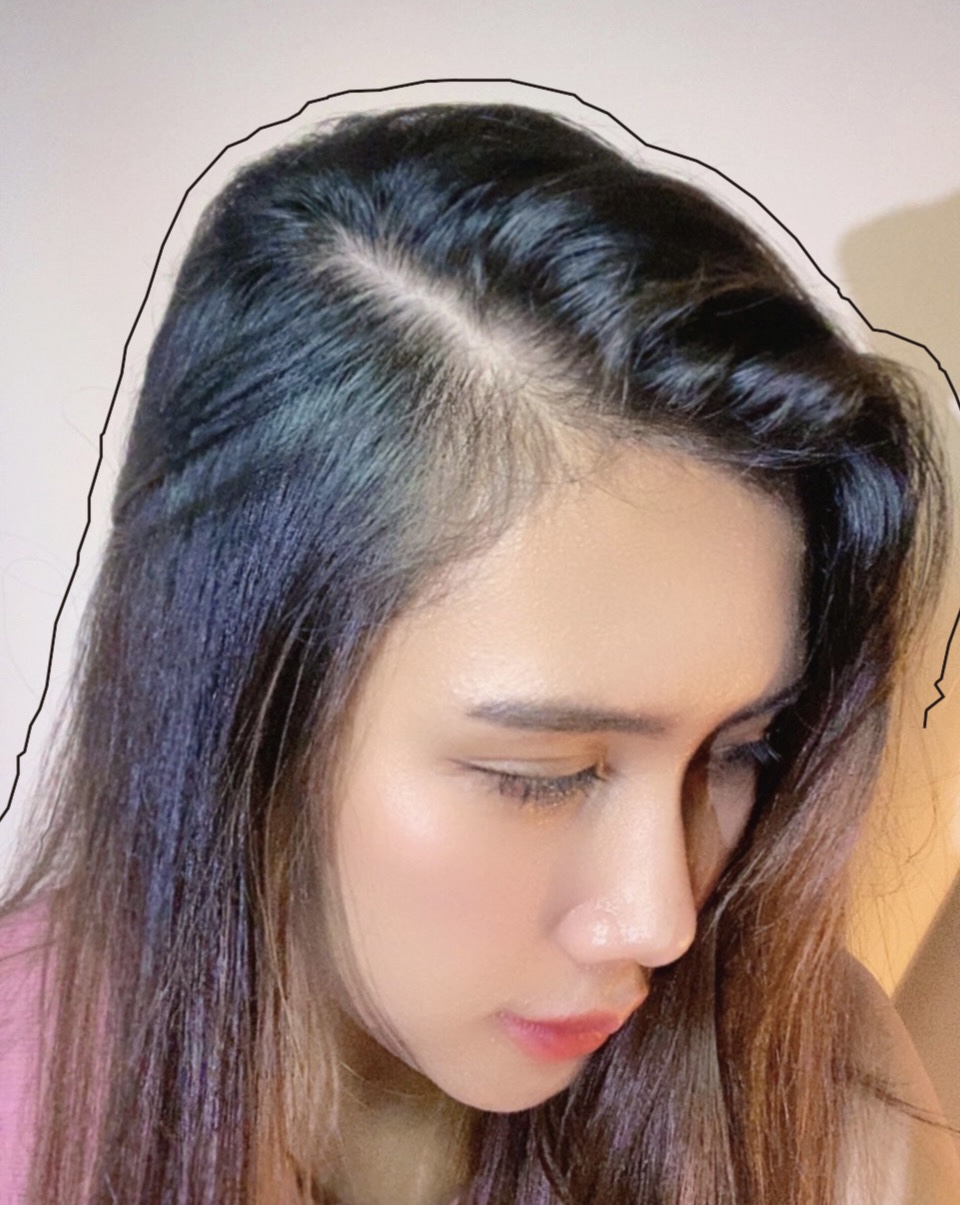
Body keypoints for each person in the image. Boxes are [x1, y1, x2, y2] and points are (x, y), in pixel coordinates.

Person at [0, 101, 957, 1205]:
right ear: (237, 706)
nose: (660, 919)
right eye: (540, 776)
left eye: (741, 748)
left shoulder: (802, 1088)